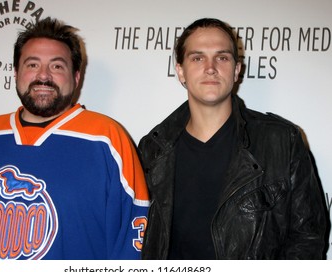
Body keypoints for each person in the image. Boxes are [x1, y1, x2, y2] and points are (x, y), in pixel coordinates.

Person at [0, 17, 149, 260]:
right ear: (16, 72)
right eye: (32, 65)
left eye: (57, 66)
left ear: (77, 77)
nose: (43, 76)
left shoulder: (107, 139)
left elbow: (131, 243)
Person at [138, 18, 327, 259]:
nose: (210, 67)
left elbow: (307, 238)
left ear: (237, 70)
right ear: (180, 71)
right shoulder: (153, 148)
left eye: (222, 57)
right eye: (197, 58)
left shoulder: (281, 141)